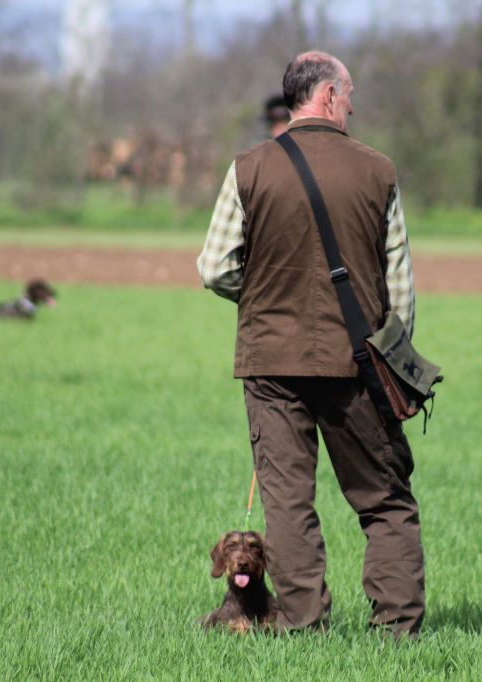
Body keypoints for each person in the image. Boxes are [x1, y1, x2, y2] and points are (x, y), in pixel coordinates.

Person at [197, 51, 424, 638]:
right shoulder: (379, 170)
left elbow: (214, 268)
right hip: (356, 363)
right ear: (326, 95)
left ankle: (300, 627)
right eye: (348, 98)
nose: (351, 108)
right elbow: (398, 286)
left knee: (288, 505)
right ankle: (397, 631)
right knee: (384, 500)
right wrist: (392, 361)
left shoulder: (247, 167)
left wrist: (269, 299)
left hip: (270, 361)